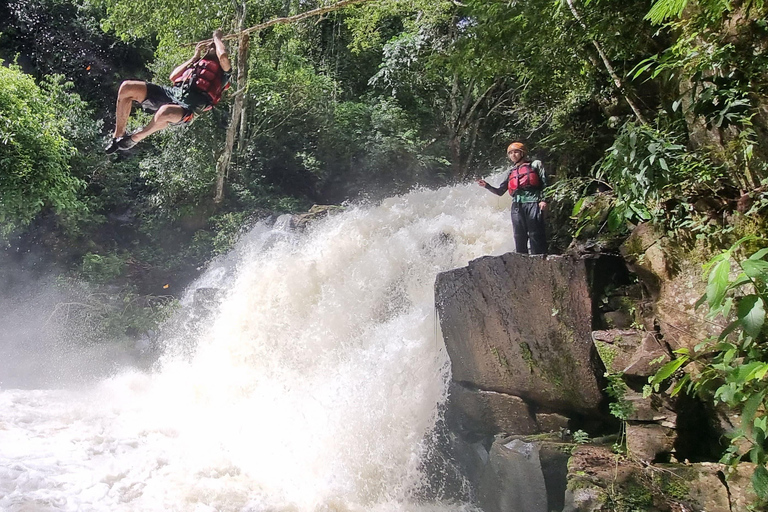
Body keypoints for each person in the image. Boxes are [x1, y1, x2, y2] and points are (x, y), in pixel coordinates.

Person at [106, 29, 232, 153]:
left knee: (165, 112)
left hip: (188, 107)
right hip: (171, 93)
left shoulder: (224, 73)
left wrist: (217, 37)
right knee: (127, 87)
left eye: (214, 46)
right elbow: (173, 77)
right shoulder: (198, 63)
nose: (211, 45)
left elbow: (224, 57)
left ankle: (136, 138)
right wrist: (194, 58)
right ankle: (118, 136)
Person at [478, 141, 548, 255]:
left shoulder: (535, 164)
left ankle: (539, 259)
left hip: (533, 201)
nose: (513, 155)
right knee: (519, 235)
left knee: (535, 234)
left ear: (522, 153)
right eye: (510, 153)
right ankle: (522, 261)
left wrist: (544, 199)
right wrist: (487, 186)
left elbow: (545, 183)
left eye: (516, 152)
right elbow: (500, 191)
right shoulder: (511, 171)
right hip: (517, 206)